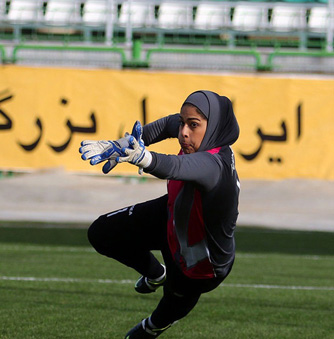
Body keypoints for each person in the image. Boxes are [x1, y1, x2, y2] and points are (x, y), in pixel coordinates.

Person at [79, 90, 240, 338]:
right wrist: (120, 145)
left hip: (200, 261)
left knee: (166, 312)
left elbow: (174, 167)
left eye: (193, 125)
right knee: (101, 233)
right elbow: (167, 124)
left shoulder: (214, 165)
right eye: (183, 123)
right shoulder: (191, 132)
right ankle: (156, 274)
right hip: (172, 215)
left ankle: (152, 327)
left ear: (214, 126)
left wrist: (142, 157)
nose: (183, 132)